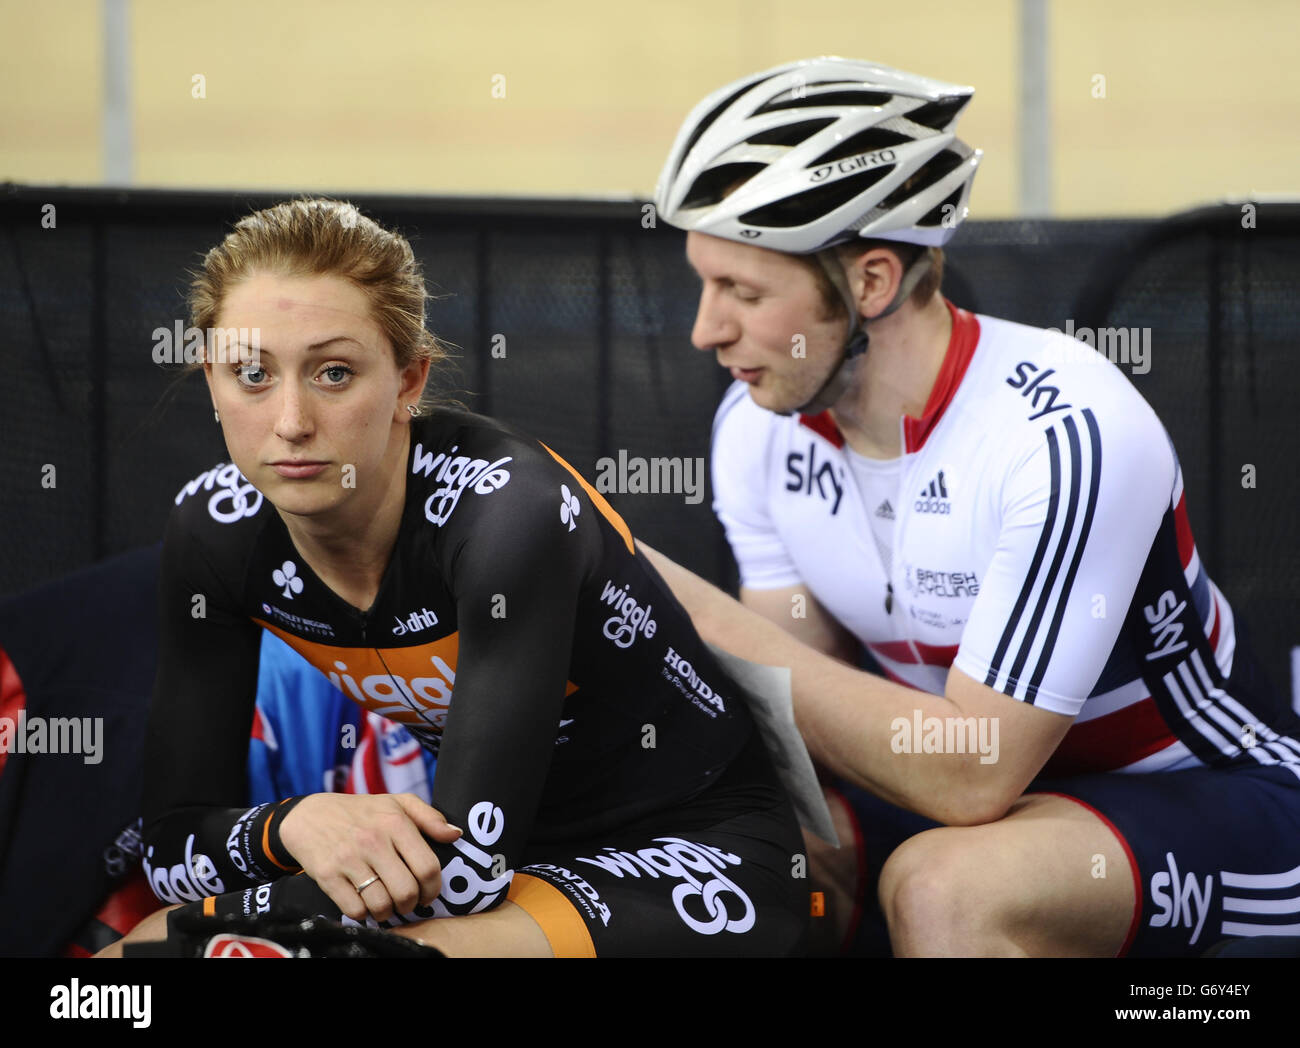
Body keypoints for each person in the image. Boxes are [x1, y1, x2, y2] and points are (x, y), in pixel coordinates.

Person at [638, 56, 1300, 957]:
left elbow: (971, 777)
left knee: (950, 891)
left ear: (872, 282)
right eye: (703, 284)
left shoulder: (1066, 432)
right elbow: (794, 698)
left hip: (1212, 796)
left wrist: (674, 600)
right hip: (971, 799)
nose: (705, 330)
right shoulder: (757, 425)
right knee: (732, 853)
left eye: (744, 294)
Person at [116, 197, 809, 958]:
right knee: (134, 959)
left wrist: (241, 908)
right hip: (506, 864)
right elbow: (170, 853)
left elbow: (469, 871)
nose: (289, 421)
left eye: (334, 372)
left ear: (410, 382)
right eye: (251, 374)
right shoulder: (211, 531)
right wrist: (297, 824)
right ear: (212, 384)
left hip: (689, 851)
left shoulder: (506, 515)